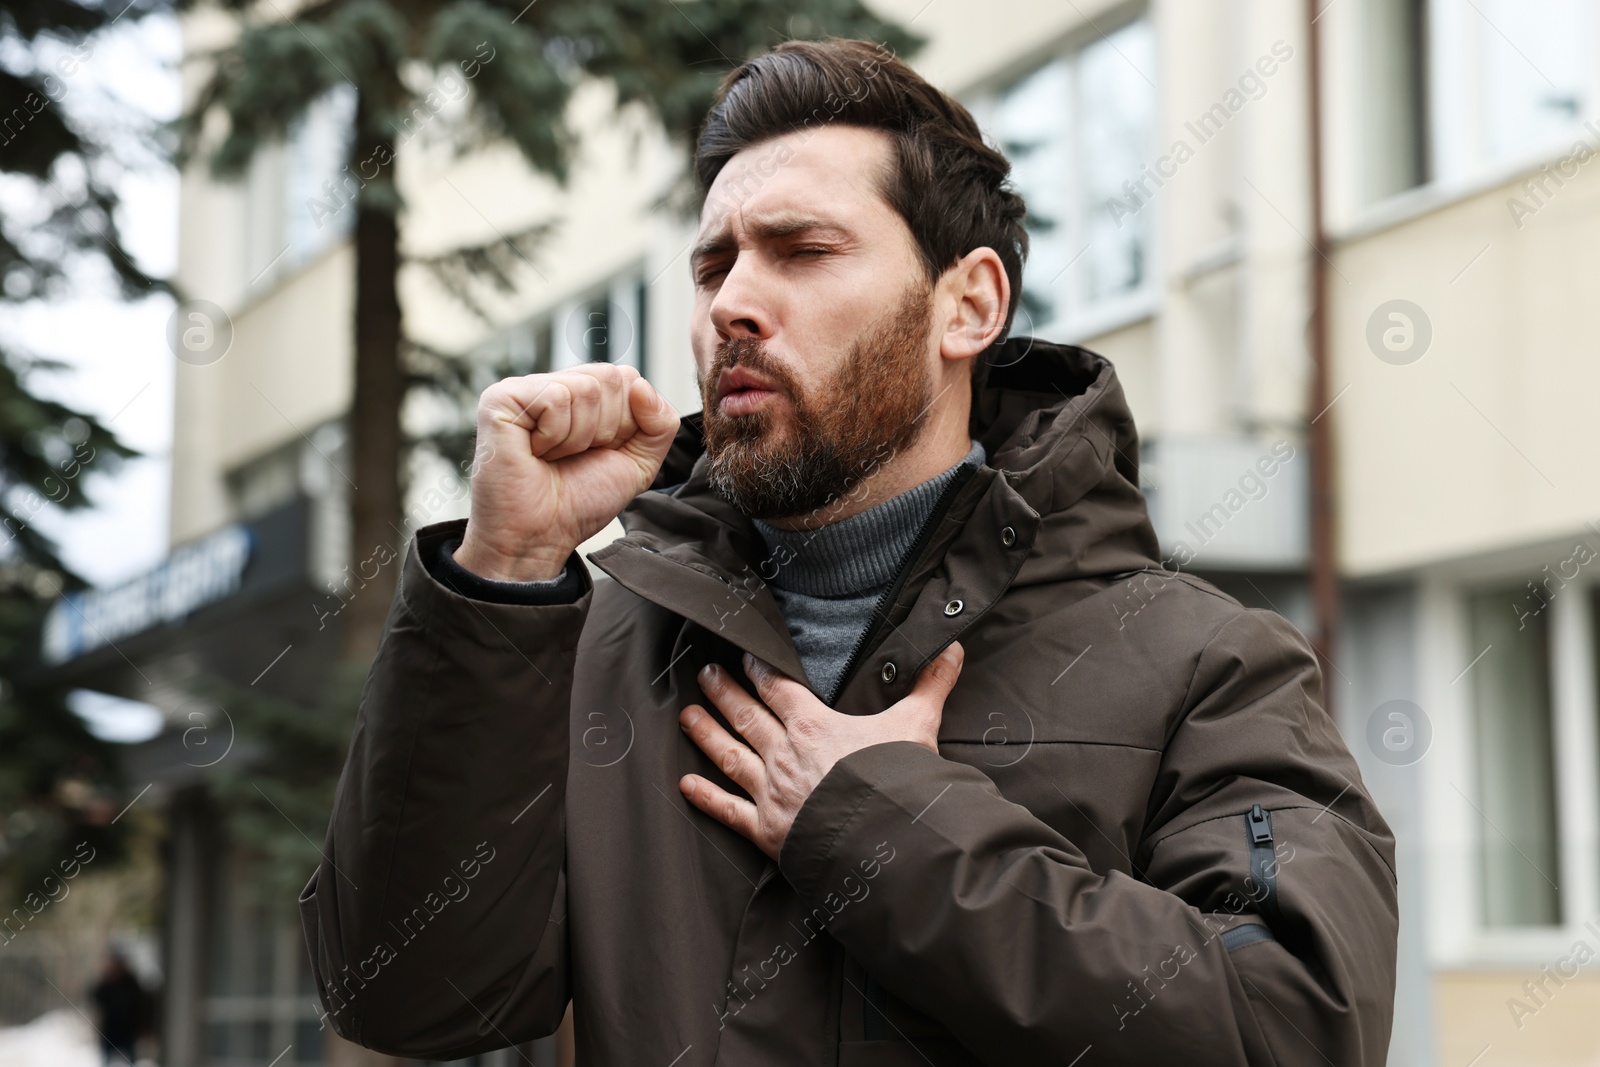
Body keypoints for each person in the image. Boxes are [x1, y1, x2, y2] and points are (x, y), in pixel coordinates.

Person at [300, 38, 1398, 1066]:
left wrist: (883, 821)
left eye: (803, 250)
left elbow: (1289, 1024)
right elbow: (408, 991)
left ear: (966, 304)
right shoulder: (586, 646)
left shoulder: (1208, 663)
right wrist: (500, 570)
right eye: (713, 264)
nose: (732, 302)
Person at [88, 950, 147, 1066]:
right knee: (106, 1061)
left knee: (131, 1061)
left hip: (128, 1032)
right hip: (110, 1031)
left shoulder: (131, 983)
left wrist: (142, 1027)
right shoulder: (107, 982)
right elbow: (95, 997)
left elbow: (140, 1005)